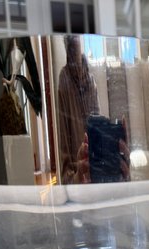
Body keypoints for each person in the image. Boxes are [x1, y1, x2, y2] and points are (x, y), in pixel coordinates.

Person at [57, 35, 100, 184]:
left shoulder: (91, 82)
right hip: (76, 177)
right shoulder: (64, 80)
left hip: (94, 171)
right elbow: (63, 142)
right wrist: (75, 176)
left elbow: (98, 130)